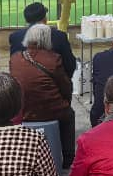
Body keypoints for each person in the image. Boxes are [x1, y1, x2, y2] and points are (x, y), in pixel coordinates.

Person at [10, 24, 76, 168]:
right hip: (50, 111)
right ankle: (68, 159)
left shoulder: (15, 58)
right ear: (47, 39)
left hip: (23, 110)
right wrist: (65, 102)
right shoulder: (54, 59)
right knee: (69, 115)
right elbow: (65, 86)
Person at [9, 2, 77, 78]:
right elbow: (70, 65)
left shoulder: (15, 37)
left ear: (27, 20)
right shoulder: (59, 36)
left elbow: (13, 66)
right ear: (45, 18)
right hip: (53, 83)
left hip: (22, 83)